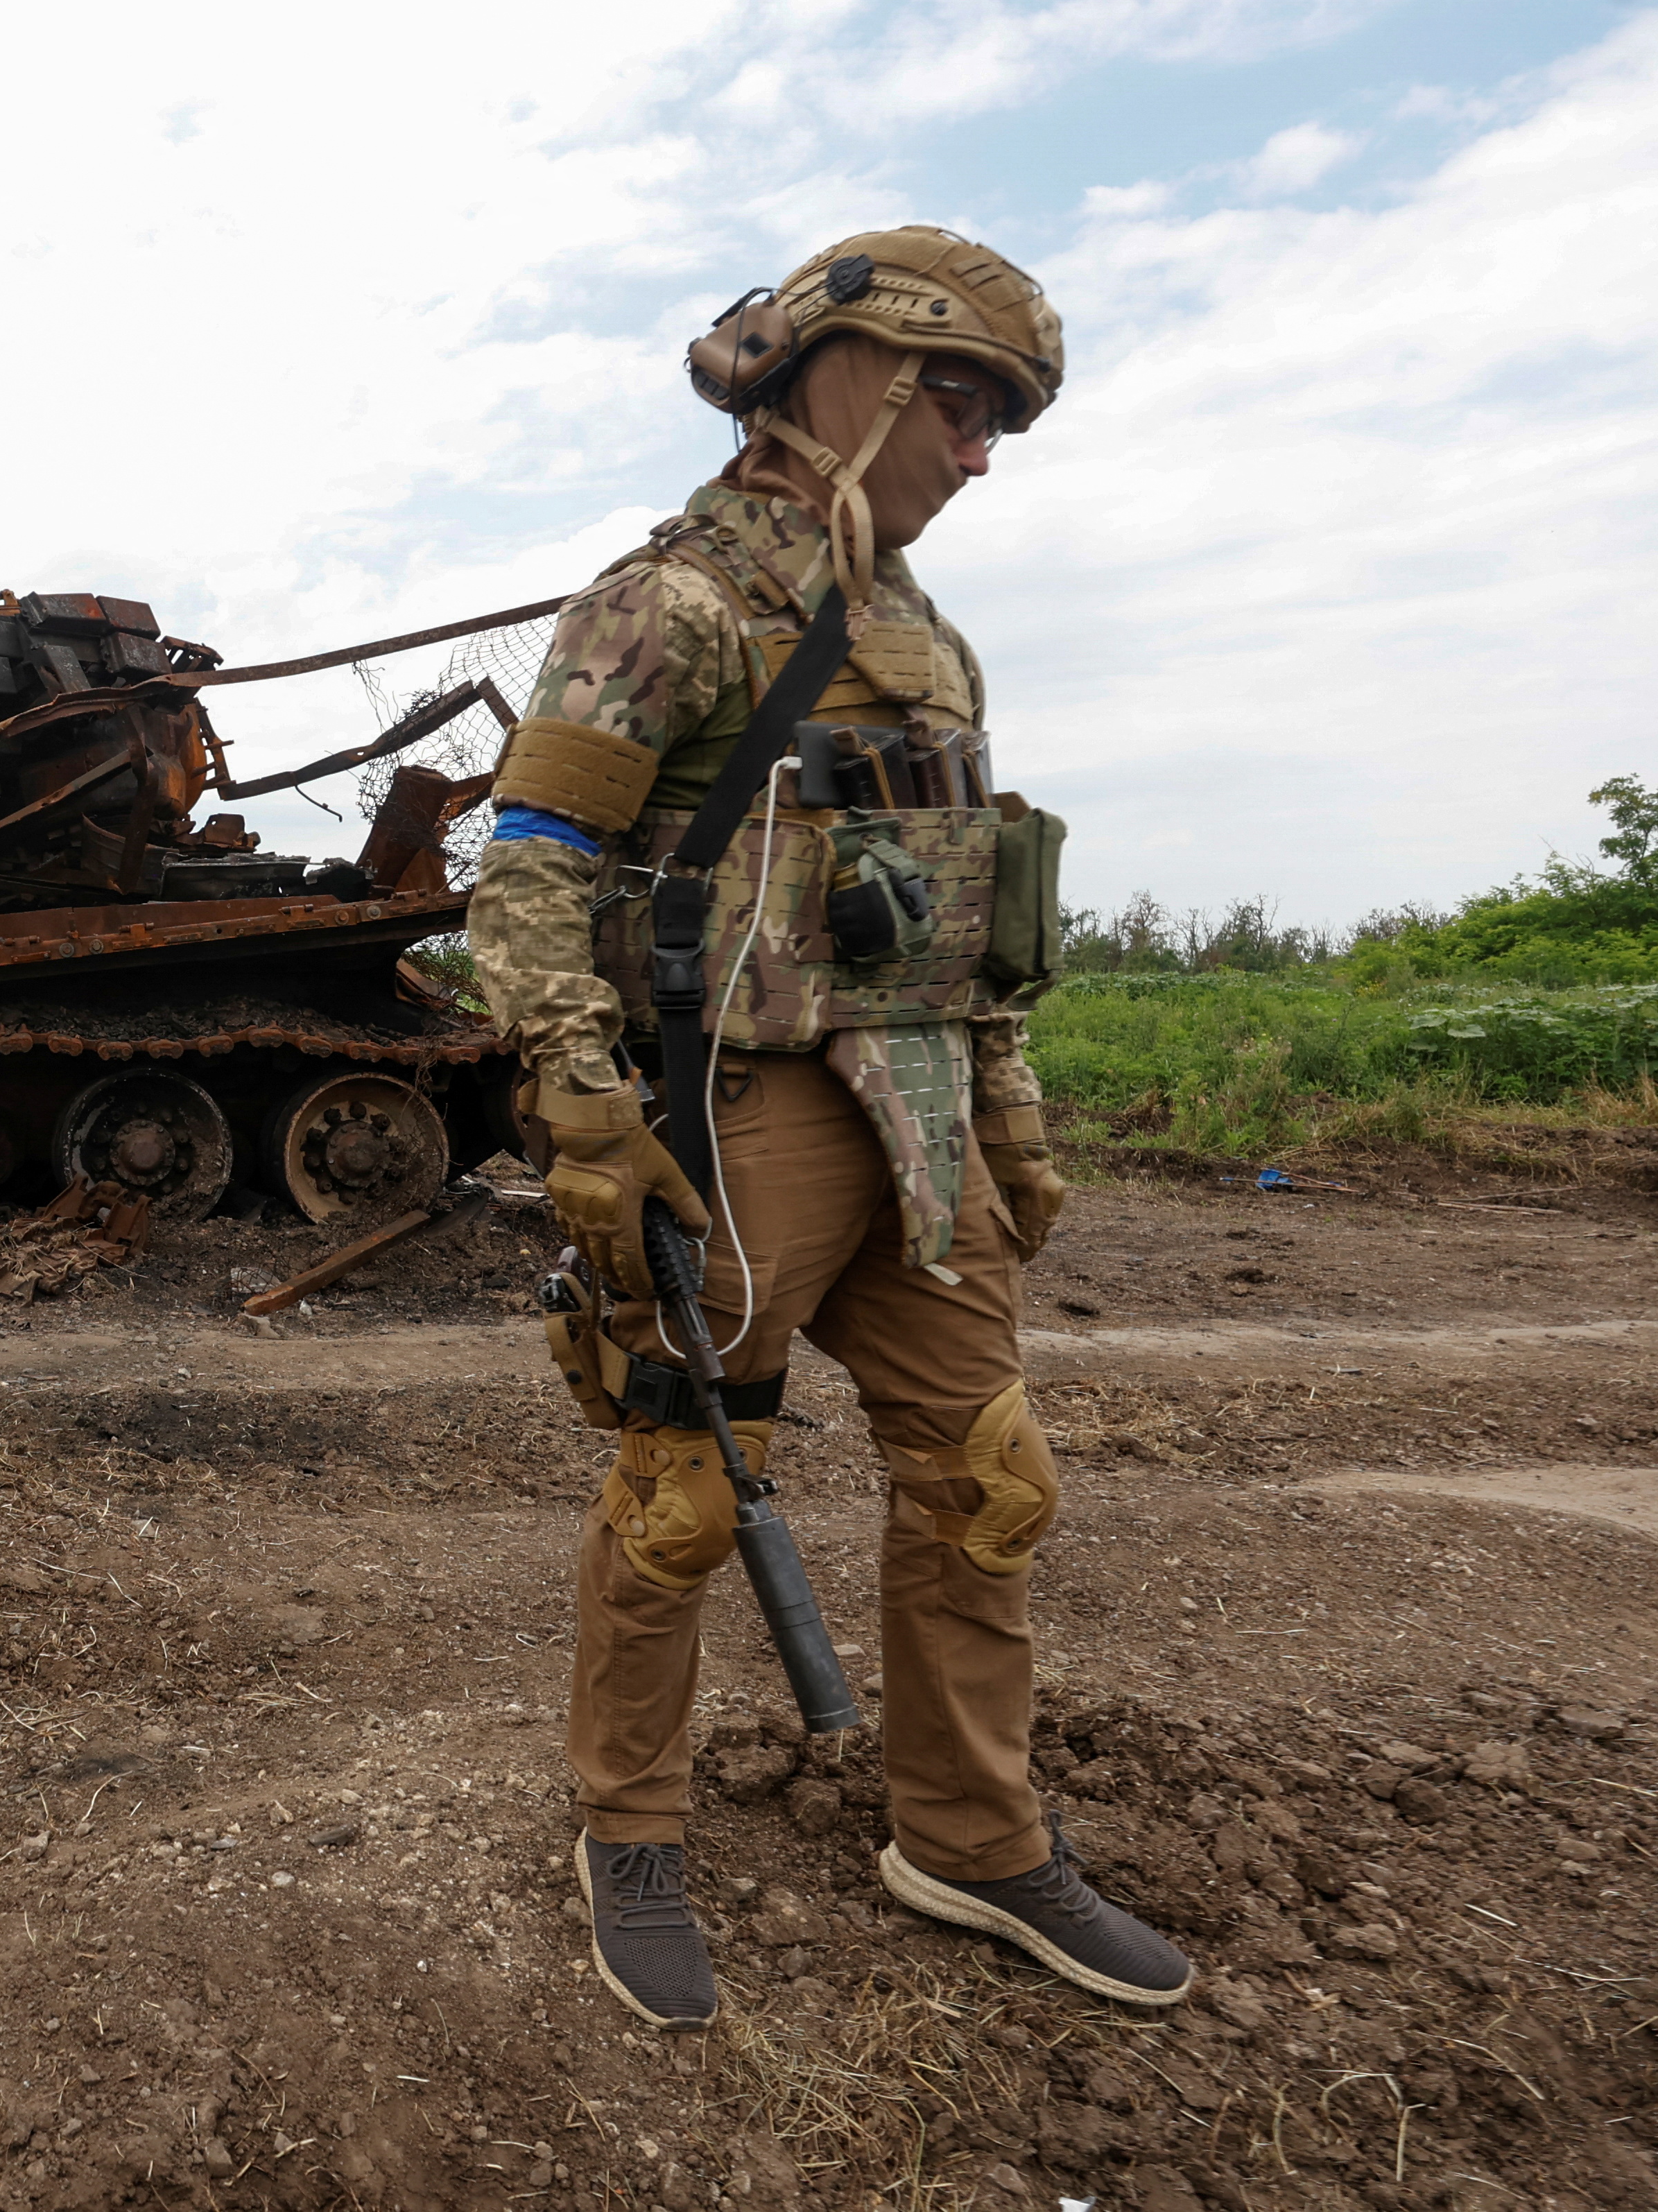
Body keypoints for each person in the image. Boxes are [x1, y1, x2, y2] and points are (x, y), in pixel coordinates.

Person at [465, 227, 1192, 2027]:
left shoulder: (929, 643)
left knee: (989, 1475)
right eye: (963, 401)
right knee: (687, 1480)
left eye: (1003, 415)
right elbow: (532, 869)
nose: (982, 446)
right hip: (737, 1099)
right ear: (842, 383)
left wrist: (1010, 1108)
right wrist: (575, 1093)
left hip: (923, 1120)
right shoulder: (672, 602)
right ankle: (626, 1824)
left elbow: (959, 905)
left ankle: (969, 1833)